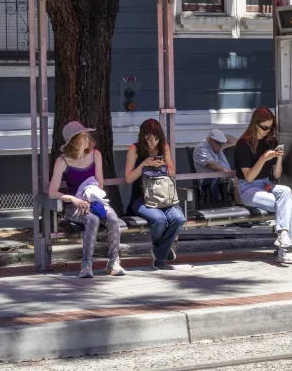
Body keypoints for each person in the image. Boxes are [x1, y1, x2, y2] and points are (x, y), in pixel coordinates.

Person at [47, 121, 125, 279]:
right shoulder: (63, 161)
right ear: (71, 142)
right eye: (80, 138)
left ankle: (113, 261)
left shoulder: (96, 154)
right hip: (74, 205)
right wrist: (72, 199)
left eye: (86, 137)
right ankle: (86, 264)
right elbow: (52, 192)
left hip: (94, 200)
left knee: (113, 218)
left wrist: (91, 197)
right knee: (92, 220)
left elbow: (100, 183)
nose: (85, 141)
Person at [234, 107, 292, 265]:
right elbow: (249, 177)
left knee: (286, 192)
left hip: (266, 184)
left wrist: (278, 158)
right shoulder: (243, 145)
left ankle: (284, 238)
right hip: (248, 188)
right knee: (286, 206)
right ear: (255, 124)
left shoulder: (270, 142)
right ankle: (286, 249)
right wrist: (263, 158)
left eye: (271, 127)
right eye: (264, 127)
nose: (267, 131)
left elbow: (276, 175)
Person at [124, 119, 186, 270]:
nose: (152, 143)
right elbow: (128, 178)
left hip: (164, 197)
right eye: (149, 139)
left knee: (179, 218)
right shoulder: (135, 149)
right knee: (159, 219)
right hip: (142, 198)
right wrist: (144, 164)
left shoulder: (163, 146)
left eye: (155, 139)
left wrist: (163, 165)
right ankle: (161, 257)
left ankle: (159, 250)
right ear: (143, 136)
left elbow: (172, 172)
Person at [192, 129, 237, 203]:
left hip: (223, 178)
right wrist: (230, 173)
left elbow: (235, 141)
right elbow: (213, 165)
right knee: (234, 181)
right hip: (209, 182)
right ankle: (236, 202)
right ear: (211, 140)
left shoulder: (217, 145)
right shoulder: (201, 147)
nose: (221, 146)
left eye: (222, 143)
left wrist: (222, 136)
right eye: (219, 143)